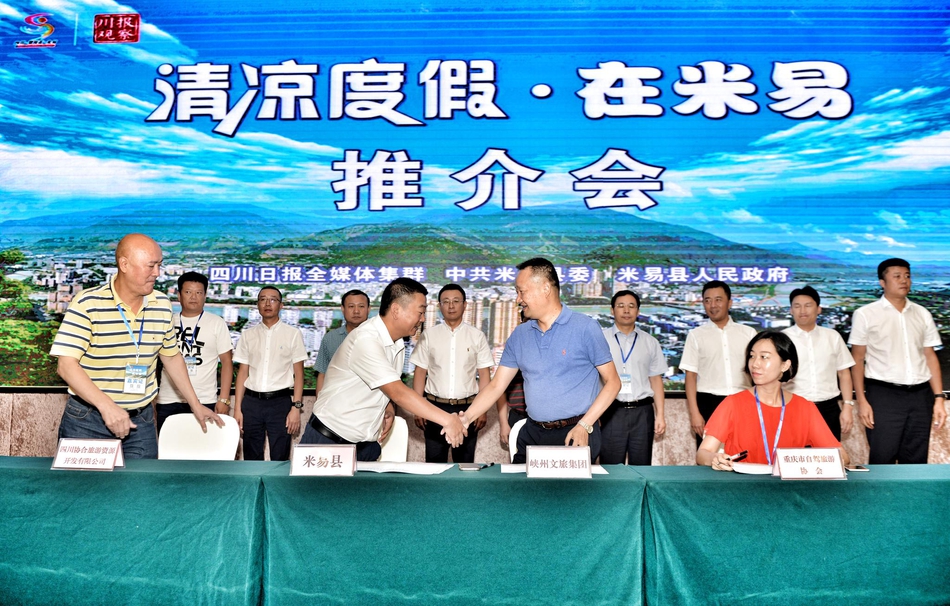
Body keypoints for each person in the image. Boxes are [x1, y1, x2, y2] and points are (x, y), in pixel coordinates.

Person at [50, 233, 222, 459]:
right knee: (83, 482)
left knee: (143, 481)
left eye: (160, 265)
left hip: (140, 422)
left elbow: (171, 357)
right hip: (88, 420)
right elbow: (66, 365)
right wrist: (107, 407)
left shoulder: (161, 304)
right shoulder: (87, 303)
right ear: (124, 265)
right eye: (151, 265)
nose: (157, 273)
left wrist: (195, 404)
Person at [461, 258, 621, 463]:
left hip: (575, 434)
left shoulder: (585, 328)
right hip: (532, 433)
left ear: (545, 288)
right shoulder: (520, 335)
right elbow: (496, 386)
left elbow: (613, 382)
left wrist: (585, 425)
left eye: (522, 291)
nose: (518, 299)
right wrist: (465, 418)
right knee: (519, 484)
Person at [300, 277, 466, 461]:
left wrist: (388, 407)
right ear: (396, 310)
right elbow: (398, 392)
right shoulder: (366, 339)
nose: (423, 319)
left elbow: (381, 385)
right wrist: (448, 420)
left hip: (366, 446)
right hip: (329, 441)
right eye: (420, 312)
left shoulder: (397, 344)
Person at [697, 330, 850, 469]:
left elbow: (842, 457)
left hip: (787, 487)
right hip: (743, 486)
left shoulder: (804, 408)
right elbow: (703, 453)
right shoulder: (733, 404)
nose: (755, 364)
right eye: (752, 356)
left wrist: (803, 462)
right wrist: (715, 458)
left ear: (785, 365)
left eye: (764, 357)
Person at [849, 258, 946, 464]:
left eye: (907, 276)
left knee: (916, 460)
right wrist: (862, 401)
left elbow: (930, 356)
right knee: (882, 457)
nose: (904, 280)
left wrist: (938, 397)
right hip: (884, 396)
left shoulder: (922, 313)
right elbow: (857, 359)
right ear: (882, 282)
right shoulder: (865, 314)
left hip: (921, 396)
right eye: (897, 276)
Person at [410, 284, 493, 463]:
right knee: (434, 464)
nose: (451, 306)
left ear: (465, 305)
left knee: (464, 464)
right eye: (446, 302)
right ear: (439, 306)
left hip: (468, 410)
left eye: (456, 301)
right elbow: (420, 372)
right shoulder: (428, 335)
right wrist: (418, 408)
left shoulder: (477, 336)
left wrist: (482, 409)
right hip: (434, 408)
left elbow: (484, 375)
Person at [232, 286, 306, 461]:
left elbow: (299, 375)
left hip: (280, 403)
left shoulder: (293, 334)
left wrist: (296, 408)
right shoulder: (248, 334)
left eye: (273, 300)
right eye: (263, 299)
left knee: (280, 457)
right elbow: (242, 373)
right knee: (251, 457)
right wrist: (237, 409)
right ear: (257, 304)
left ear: (281, 305)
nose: (267, 304)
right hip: (251, 403)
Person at [680, 280, 757, 448]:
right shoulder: (695, 335)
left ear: (729, 302)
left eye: (718, 300)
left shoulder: (748, 333)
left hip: (743, 401)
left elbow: (758, 372)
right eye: (707, 300)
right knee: (709, 455)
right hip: (708, 403)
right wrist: (695, 414)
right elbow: (690, 376)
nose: (713, 305)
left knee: (745, 452)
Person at [155, 271, 234, 433]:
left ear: (205, 296)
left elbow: (227, 362)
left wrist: (224, 399)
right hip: (169, 399)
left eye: (198, 293)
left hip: (205, 399)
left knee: (204, 447)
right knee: (170, 447)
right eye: (188, 292)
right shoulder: (168, 322)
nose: (193, 297)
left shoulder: (216, 323)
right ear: (179, 295)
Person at [599, 290, 668, 465]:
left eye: (631, 306)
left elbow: (656, 379)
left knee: (642, 466)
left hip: (642, 412)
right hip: (610, 411)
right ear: (612, 310)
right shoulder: (600, 339)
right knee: (611, 468)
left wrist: (660, 415)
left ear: (638, 311)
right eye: (621, 306)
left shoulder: (650, 342)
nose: (626, 310)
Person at [782, 285, 855, 440]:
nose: (802, 310)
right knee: (793, 453)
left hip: (828, 409)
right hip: (792, 408)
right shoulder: (781, 339)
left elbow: (844, 373)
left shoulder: (833, 336)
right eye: (797, 306)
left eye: (808, 305)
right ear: (791, 310)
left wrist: (848, 406)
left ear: (819, 309)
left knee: (829, 453)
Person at [314, 289, 370, 398]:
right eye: (351, 306)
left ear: (368, 309)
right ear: (343, 309)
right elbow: (322, 375)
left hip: (370, 402)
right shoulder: (330, 338)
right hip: (336, 401)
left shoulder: (379, 337)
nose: (356, 311)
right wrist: (319, 403)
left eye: (361, 306)